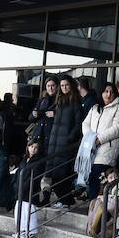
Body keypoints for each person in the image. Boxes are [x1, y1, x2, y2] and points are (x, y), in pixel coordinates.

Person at [81, 81, 119, 200]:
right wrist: (90, 137)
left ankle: (98, 209)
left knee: (98, 179)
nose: (108, 94)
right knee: (92, 179)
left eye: (111, 92)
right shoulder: (95, 107)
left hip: (106, 150)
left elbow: (117, 128)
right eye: (106, 91)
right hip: (91, 149)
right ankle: (94, 206)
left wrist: (99, 139)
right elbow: (85, 123)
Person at [46, 75, 85, 204]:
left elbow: (79, 124)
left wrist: (69, 139)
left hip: (65, 145)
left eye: (66, 85)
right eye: (62, 86)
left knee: (62, 176)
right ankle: (64, 201)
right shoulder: (60, 101)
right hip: (55, 144)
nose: (64, 88)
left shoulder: (76, 102)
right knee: (54, 176)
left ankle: (67, 202)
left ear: (71, 86)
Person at [13, 138, 50, 238]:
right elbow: (18, 173)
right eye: (31, 146)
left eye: (36, 148)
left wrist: (22, 187)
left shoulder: (39, 161)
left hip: (30, 189)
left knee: (28, 210)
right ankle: (20, 231)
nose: (33, 149)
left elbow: (34, 178)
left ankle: (31, 232)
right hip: (20, 188)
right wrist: (16, 185)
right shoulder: (24, 159)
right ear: (27, 147)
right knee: (19, 210)